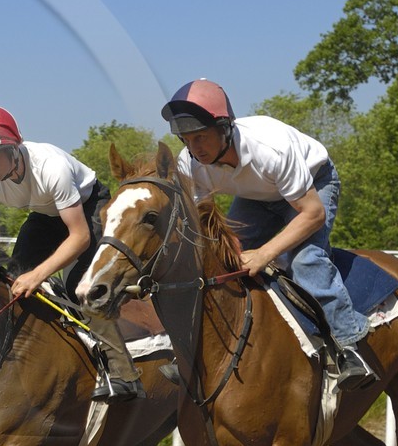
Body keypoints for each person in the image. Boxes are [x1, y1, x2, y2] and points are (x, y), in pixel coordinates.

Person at [161, 78, 375, 387]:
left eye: (201, 137)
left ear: (225, 128)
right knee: (215, 260)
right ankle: (190, 349)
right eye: (186, 140)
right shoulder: (190, 164)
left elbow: (313, 215)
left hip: (313, 186)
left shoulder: (270, 148)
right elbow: (204, 225)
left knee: (305, 260)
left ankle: (349, 348)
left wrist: (264, 253)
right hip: (257, 196)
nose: (195, 149)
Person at [0, 96, 143, 402]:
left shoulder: (51, 166)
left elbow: (80, 237)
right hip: (45, 214)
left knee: (79, 287)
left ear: (12, 148)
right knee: (12, 279)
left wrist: (39, 274)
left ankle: (124, 373)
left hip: (88, 208)